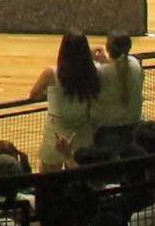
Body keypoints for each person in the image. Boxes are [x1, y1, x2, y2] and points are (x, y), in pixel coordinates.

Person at [30, 33, 109, 172]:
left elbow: (34, 94)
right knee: (81, 170)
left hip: (56, 129)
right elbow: (111, 73)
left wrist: (50, 94)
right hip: (83, 128)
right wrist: (101, 59)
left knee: (50, 174)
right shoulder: (95, 71)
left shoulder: (52, 73)